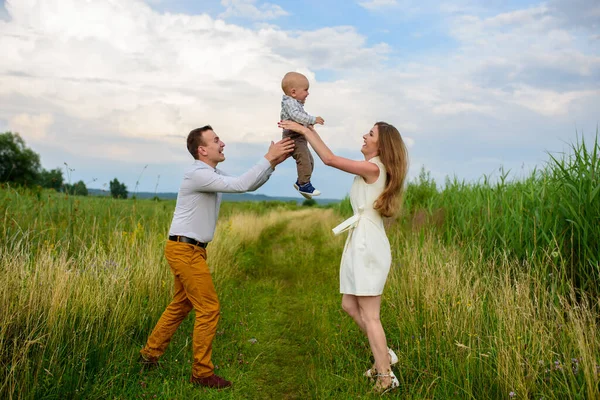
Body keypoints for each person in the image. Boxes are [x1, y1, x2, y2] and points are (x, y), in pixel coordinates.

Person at [139, 125, 294, 389]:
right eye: (216, 140)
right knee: (208, 308)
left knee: (181, 305)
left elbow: (248, 184)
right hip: (185, 251)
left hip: (190, 250)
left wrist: (274, 162)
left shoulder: (210, 173)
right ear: (202, 150)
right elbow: (242, 183)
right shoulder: (198, 174)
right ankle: (201, 373)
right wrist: (268, 158)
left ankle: (149, 355)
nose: (222, 144)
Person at [278, 120, 408, 393]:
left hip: (368, 246)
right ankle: (384, 354)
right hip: (361, 241)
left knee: (371, 316)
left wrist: (305, 130)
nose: (364, 135)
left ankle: (385, 377)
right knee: (349, 305)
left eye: (370, 134)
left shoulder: (374, 168)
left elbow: (329, 159)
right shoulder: (372, 170)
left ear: (381, 145)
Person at [280, 71, 324, 199]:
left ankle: (301, 182)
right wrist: (312, 119)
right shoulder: (291, 103)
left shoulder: (295, 103)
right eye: (305, 90)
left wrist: (307, 125)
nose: (308, 93)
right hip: (293, 137)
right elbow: (296, 116)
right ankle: (304, 184)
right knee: (304, 160)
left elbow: (299, 117)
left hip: (299, 136)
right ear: (293, 92)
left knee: (310, 161)